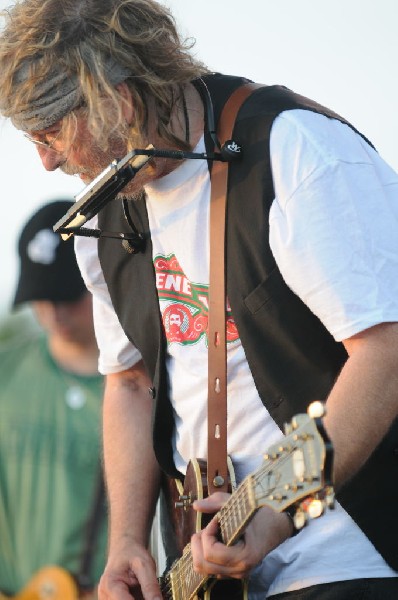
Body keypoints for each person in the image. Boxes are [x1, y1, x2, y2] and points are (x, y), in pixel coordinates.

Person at [0, 1, 397, 599]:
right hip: (201, 574)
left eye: (51, 130)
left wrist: (275, 518)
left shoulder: (294, 149)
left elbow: (386, 351)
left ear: (118, 98)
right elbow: (128, 383)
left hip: (347, 560)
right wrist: (128, 543)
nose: (47, 159)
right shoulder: (107, 215)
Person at [0, 200, 108, 597]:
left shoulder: (139, 392)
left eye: (66, 296)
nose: (53, 313)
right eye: (40, 297)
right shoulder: (4, 370)